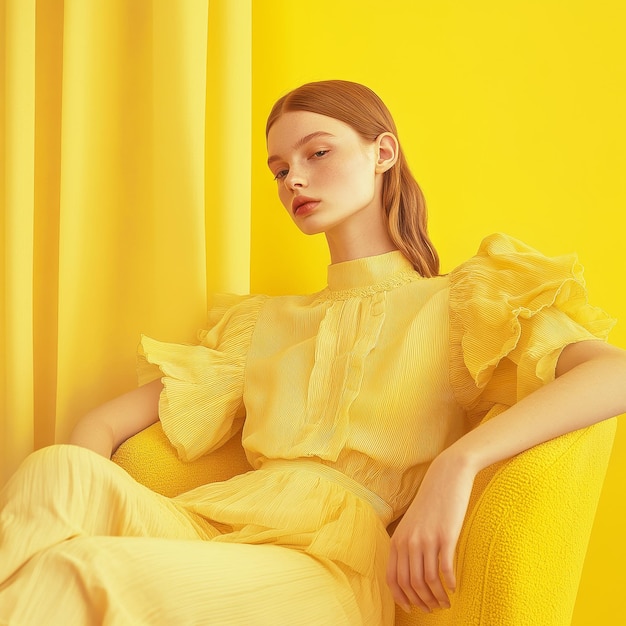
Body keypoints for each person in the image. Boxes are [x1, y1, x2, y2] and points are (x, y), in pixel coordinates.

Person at [1, 79, 625, 625]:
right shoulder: (262, 324)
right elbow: (102, 426)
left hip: (331, 570)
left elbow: (615, 373)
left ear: (383, 152)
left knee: (82, 567)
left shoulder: (463, 304)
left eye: (317, 152)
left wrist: (456, 464)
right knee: (59, 468)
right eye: (278, 168)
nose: (292, 178)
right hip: (213, 527)